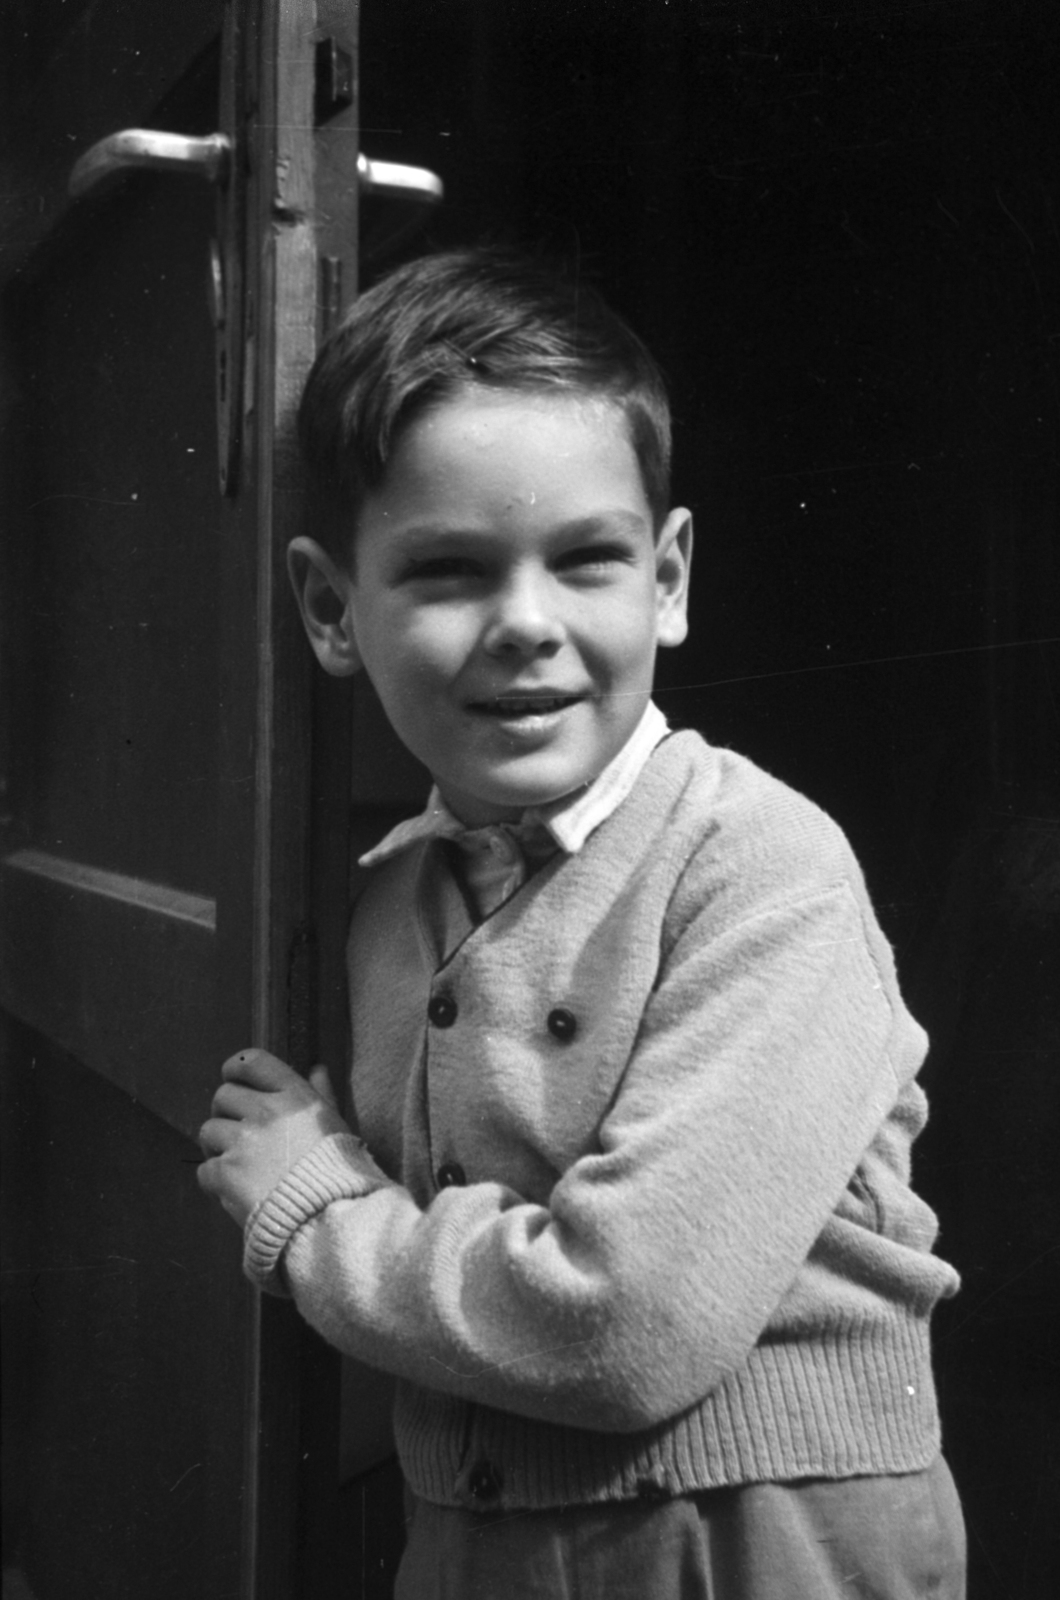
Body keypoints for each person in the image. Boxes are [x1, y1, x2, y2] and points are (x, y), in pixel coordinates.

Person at [197, 248, 966, 1599]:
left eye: (588, 562)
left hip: (761, 1553)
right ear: (330, 609)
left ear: (665, 579)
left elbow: (626, 1321)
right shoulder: (390, 899)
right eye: (448, 573)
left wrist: (316, 1220)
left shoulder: (759, 865)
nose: (527, 626)